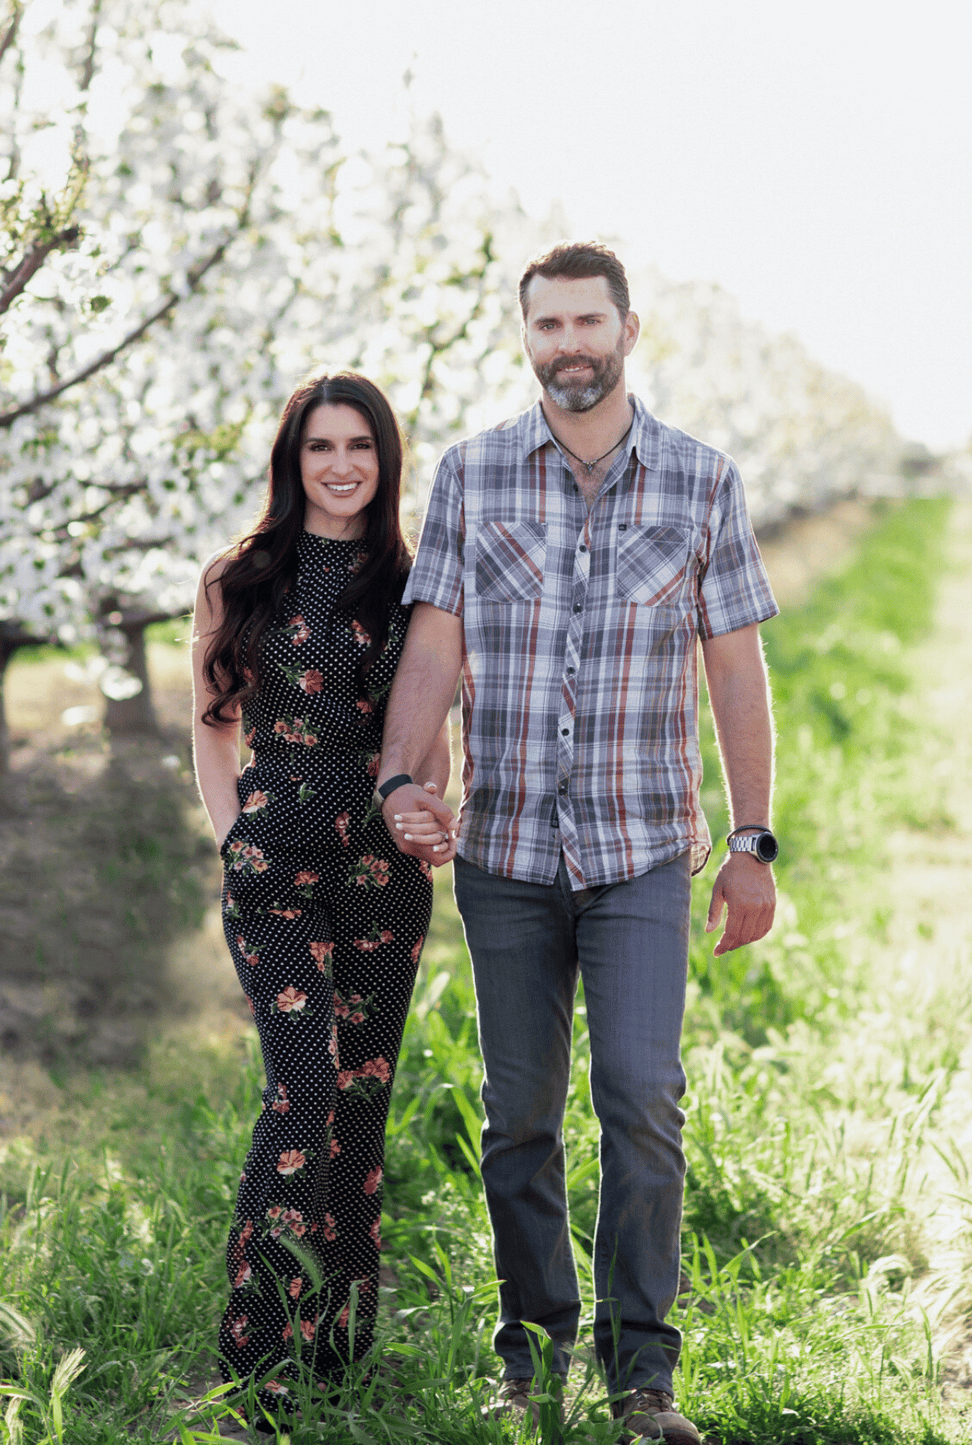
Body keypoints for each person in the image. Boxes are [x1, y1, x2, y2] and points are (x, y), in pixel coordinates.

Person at [377, 243, 779, 1445]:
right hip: (503, 849)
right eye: (545, 324)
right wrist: (403, 774)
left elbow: (735, 674)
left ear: (628, 329)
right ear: (526, 338)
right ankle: (531, 1343)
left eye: (585, 321)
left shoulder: (701, 482)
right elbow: (435, 649)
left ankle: (641, 1372)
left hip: (641, 847)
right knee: (517, 1115)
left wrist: (753, 836)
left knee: (642, 1094)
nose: (567, 344)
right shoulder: (472, 473)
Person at [190, 373, 455, 1401]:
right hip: (275, 860)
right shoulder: (239, 577)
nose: (340, 464)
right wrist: (234, 839)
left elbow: (435, 729)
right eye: (318, 446)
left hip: (385, 865)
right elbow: (212, 727)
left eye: (360, 446)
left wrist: (435, 803)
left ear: (385, 461)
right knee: (300, 1091)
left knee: (360, 1100)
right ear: (290, 459)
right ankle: (256, 1359)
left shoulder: (417, 580)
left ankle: (337, 1347)